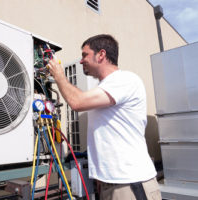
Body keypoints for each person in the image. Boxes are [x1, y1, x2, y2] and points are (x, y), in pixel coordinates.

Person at [47, 34, 161, 200]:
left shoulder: (124, 80)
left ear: (101, 54)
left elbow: (77, 102)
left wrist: (59, 76)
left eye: (85, 55)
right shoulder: (105, 88)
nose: (81, 61)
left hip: (130, 184)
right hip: (111, 184)